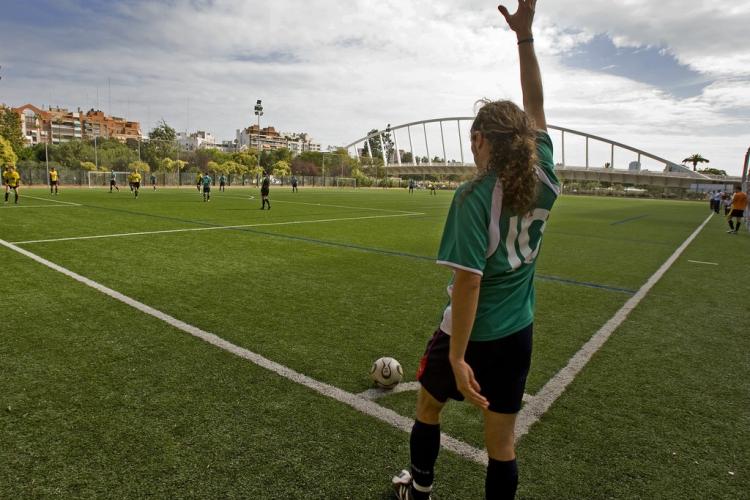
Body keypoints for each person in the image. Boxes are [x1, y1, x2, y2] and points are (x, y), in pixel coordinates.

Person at [392, 2, 558, 499]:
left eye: (473, 141)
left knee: (428, 406)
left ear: (482, 139)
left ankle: (419, 490)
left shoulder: (474, 196)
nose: (471, 150)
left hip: (470, 334)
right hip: (517, 332)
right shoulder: (545, 173)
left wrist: (460, 357)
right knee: (501, 445)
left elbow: (468, 282)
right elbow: (538, 105)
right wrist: (525, 40)